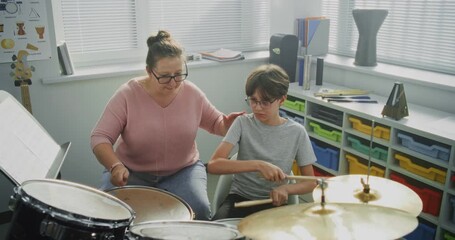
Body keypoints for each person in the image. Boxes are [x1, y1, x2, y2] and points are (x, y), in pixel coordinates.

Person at [90, 30, 243, 220]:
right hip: (131, 172)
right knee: (110, 214)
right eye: (164, 76)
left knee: (200, 210)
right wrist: (115, 166)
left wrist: (226, 124)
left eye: (179, 74)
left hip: (182, 172)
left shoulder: (191, 93)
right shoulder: (127, 94)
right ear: (148, 71)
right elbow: (100, 137)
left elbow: (216, 123)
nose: (173, 83)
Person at [208, 64, 317, 220]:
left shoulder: (297, 132)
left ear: (282, 100)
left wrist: (286, 189)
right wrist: (259, 164)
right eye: (253, 100)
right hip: (240, 197)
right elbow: (214, 165)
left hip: (274, 203)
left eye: (265, 102)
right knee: (217, 232)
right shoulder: (242, 123)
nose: (257, 108)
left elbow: (311, 182)